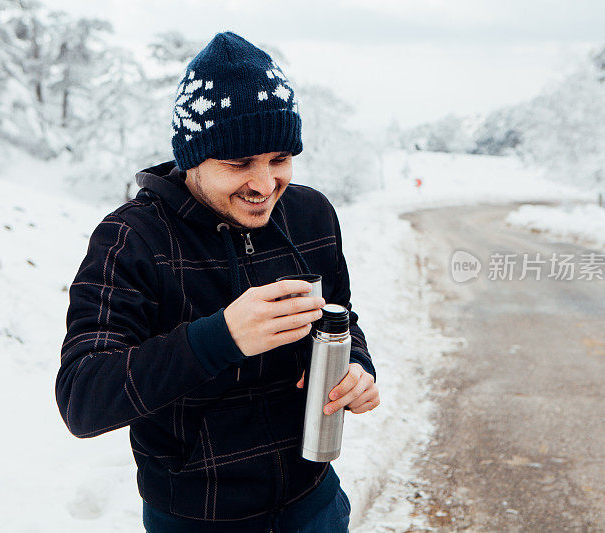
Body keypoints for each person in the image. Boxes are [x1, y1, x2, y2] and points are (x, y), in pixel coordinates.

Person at [55, 31, 380, 532]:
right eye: (238, 163)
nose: (265, 185)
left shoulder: (310, 215)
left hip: (313, 500)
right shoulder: (133, 239)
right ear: (192, 157)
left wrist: (356, 364)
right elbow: (83, 397)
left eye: (279, 159)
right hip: (196, 516)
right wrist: (219, 338)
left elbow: (340, 318)